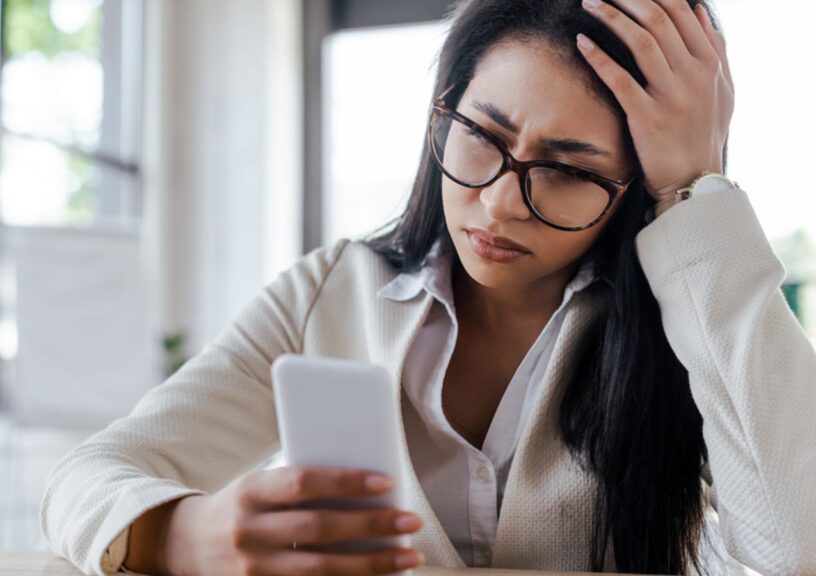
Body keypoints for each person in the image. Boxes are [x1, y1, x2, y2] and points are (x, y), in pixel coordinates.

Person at [40, 0, 816, 574]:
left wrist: (696, 191)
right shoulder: (331, 294)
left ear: (632, 189)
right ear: (442, 116)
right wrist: (186, 534)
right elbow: (85, 478)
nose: (502, 201)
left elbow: (795, 546)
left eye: (570, 170)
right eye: (482, 136)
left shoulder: (688, 317)